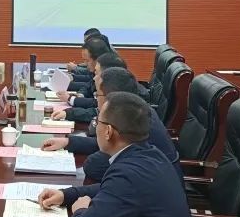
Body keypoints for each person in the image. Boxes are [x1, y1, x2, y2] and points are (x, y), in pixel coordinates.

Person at [38, 93, 202, 217]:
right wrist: (68, 194)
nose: (95, 126)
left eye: (97, 121)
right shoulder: (151, 154)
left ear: (108, 131)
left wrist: (80, 209)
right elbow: (109, 189)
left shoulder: (129, 173)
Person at [44, 67, 182, 182]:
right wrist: (68, 142)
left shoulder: (132, 119)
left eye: (97, 95)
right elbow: (106, 143)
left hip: (158, 183)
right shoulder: (135, 109)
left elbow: (95, 165)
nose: (96, 99)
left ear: (111, 97)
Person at [54, 52, 127, 123]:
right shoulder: (110, 86)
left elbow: (97, 113)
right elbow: (88, 86)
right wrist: (79, 96)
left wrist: (71, 110)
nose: (94, 78)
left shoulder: (119, 98)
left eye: (97, 73)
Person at [59, 38, 110, 105]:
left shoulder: (109, 75)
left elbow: (97, 105)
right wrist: (80, 95)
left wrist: (72, 100)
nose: (85, 64)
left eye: (87, 60)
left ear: (97, 59)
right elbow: (88, 86)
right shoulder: (97, 70)